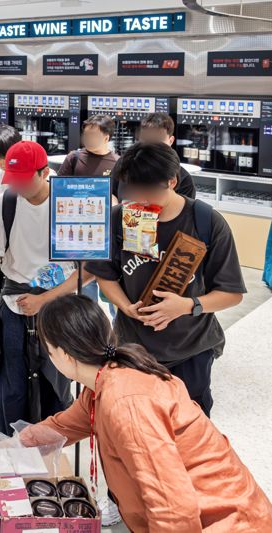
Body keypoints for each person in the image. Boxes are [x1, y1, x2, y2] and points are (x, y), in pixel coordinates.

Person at [17, 294, 272, 533]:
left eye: (49, 351)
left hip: (227, 523)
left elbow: (173, 508)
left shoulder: (127, 402)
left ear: (64, 354)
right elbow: (64, 426)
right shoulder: (105, 380)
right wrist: (12, 447)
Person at [86, 142, 246, 417]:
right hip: (134, 350)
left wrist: (185, 306)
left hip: (191, 349)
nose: (139, 197)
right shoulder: (120, 218)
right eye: (132, 189)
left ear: (172, 181)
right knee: (137, 428)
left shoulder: (206, 222)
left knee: (189, 430)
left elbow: (232, 293)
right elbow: (104, 275)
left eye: (147, 190)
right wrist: (125, 307)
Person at [0, 141, 90, 436]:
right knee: (13, 382)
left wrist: (46, 300)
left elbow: (89, 269)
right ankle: (13, 450)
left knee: (56, 380)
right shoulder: (7, 202)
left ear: (44, 172)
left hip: (60, 304)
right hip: (16, 299)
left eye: (25, 179)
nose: (19, 186)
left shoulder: (70, 203)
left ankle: (53, 452)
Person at [58, 114, 119, 308]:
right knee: (85, 286)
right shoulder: (75, 158)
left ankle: (118, 331)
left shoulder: (118, 164)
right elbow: (58, 190)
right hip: (81, 234)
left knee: (113, 285)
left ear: (107, 137)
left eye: (93, 135)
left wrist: (114, 201)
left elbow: (123, 199)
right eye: (86, 135)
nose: (88, 140)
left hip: (109, 235)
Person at [115, 112, 196, 201]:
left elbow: (184, 211)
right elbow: (111, 194)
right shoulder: (124, 165)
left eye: (158, 141)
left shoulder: (184, 180)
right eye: (147, 140)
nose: (151, 148)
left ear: (171, 141)